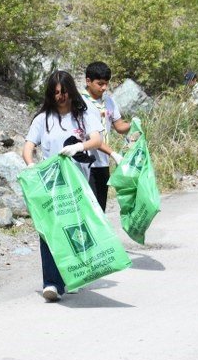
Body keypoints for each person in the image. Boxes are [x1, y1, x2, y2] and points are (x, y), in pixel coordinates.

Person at [21, 71, 104, 302]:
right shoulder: (43, 119)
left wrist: (79, 147)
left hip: (78, 183)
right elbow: (28, 147)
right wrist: (30, 164)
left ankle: (75, 274)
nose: (61, 97)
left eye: (64, 92)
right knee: (50, 230)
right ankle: (51, 283)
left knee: (76, 229)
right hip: (51, 184)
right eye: (56, 93)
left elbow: (97, 140)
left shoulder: (83, 115)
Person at [82, 62, 131, 211]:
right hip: (85, 163)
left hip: (103, 163)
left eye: (106, 84)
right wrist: (113, 153)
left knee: (101, 208)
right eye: (100, 84)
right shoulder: (80, 102)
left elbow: (119, 126)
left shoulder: (108, 100)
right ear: (88, 81)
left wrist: (134, 125)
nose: (104, 88)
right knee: (89, 209)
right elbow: (93, 139)